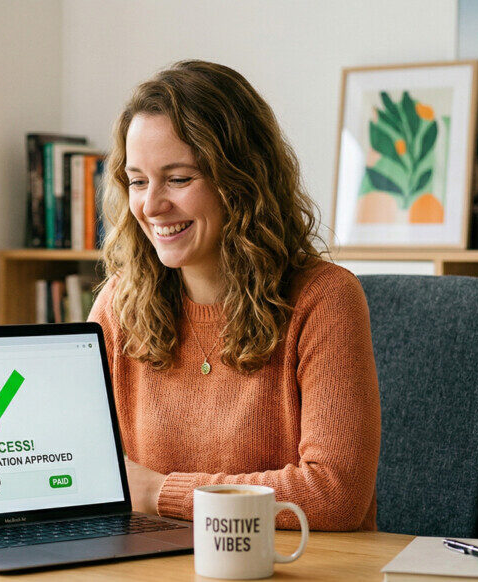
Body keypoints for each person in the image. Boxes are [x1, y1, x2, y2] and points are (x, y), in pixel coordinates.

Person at [88, 60, 380, 531]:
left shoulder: (324, 299)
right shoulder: (119, 305)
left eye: (179, 179)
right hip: (156, 561)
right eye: (137, 181)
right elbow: (85, 473)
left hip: (292, 563)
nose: (151, 205)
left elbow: (335, 493)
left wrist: (160, 493)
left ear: (241, 181)